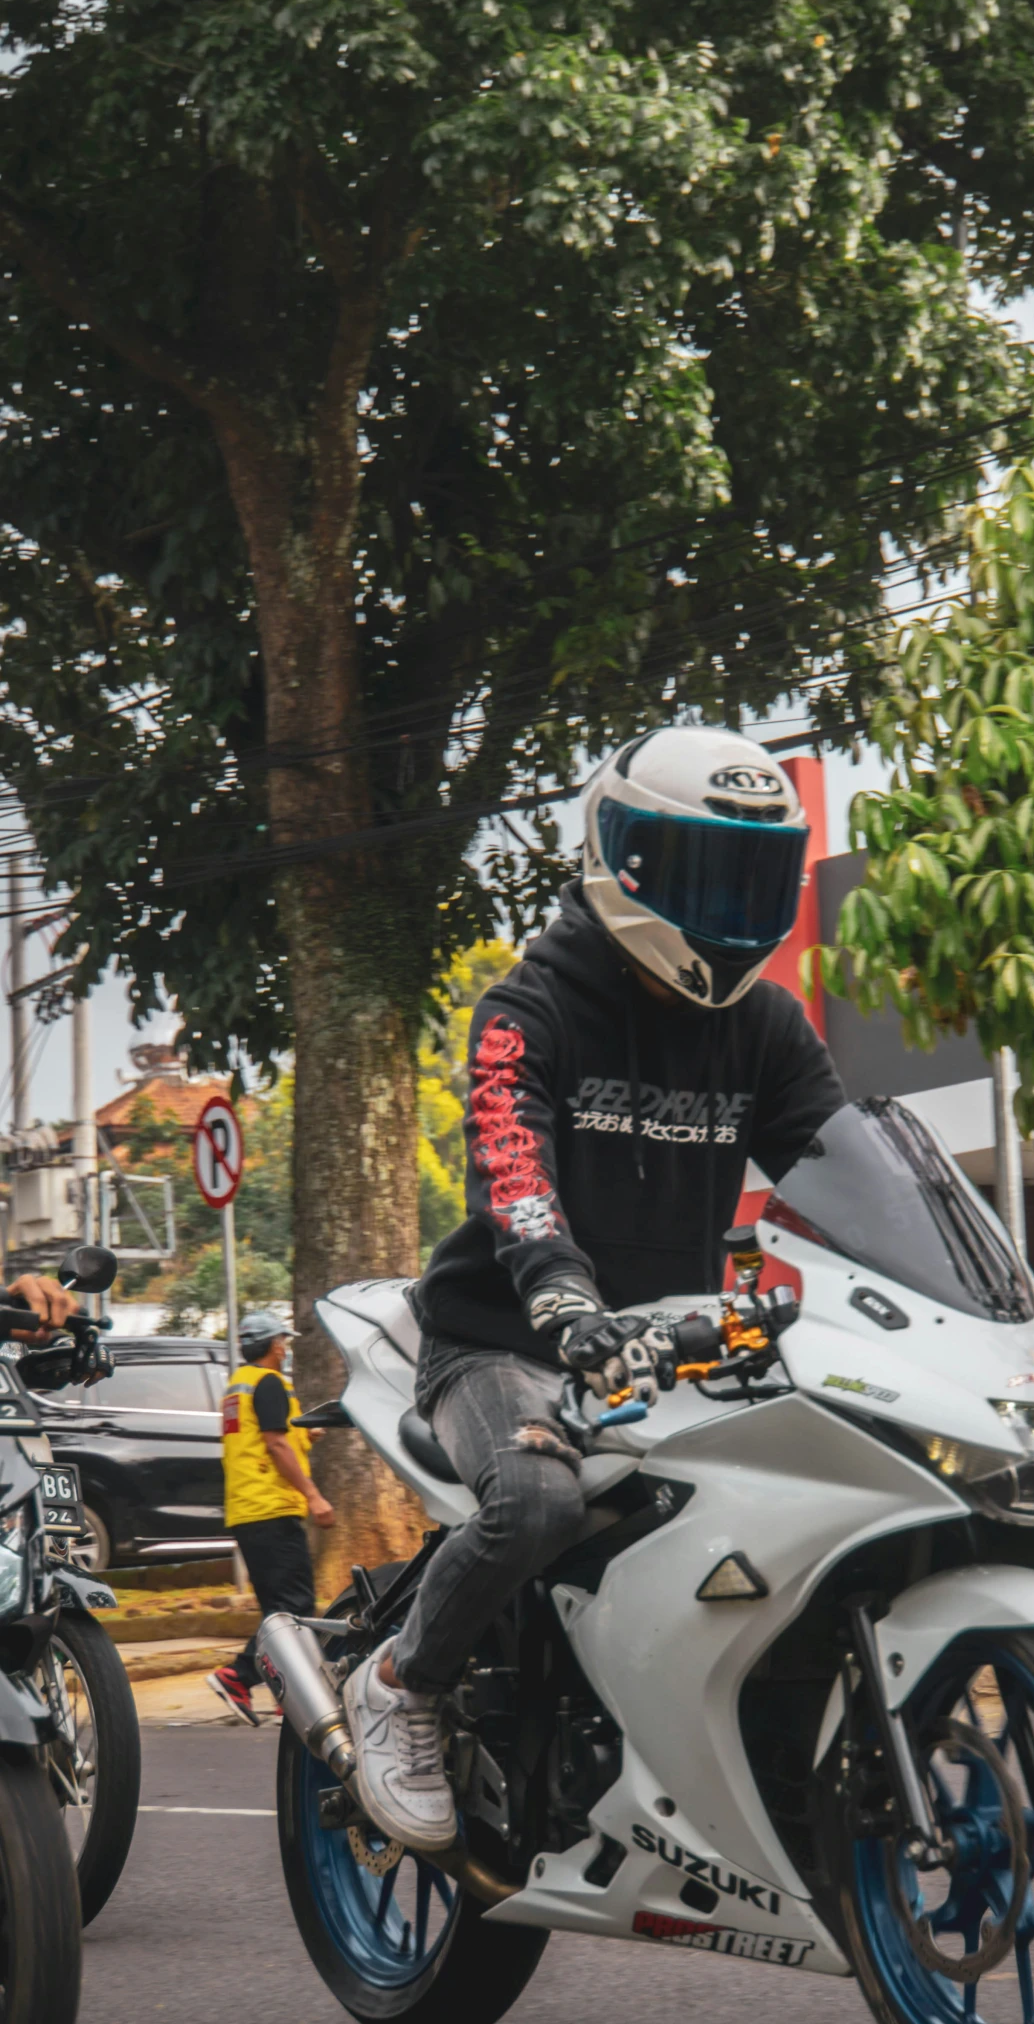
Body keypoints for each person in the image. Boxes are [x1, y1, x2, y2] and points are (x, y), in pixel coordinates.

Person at [342, 723, 846, 1851]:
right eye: (707, 873)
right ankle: (401, 1683)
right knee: (539, 1503)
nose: (731, 908)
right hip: (502, 1339)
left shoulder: (765, 1029)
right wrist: (563, 1300)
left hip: (675, 1346)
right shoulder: (532, 1007)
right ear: (625, 865)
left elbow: (846, 1165)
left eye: (756, 878)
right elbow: (512, 1170)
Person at [209, 1310, 334, 1724]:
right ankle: (237, 1676)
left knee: (277, 1611)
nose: (287, 1348)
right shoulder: (269, 1382)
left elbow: (263, 1438)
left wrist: (306, 1434)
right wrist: (314, 1496)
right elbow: (275, 1445)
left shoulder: (238, 1385)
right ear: (276, 1345)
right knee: (295, 1609)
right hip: (273, 1508)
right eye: (285, 1341)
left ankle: (288, 1693)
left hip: (247, 1509)